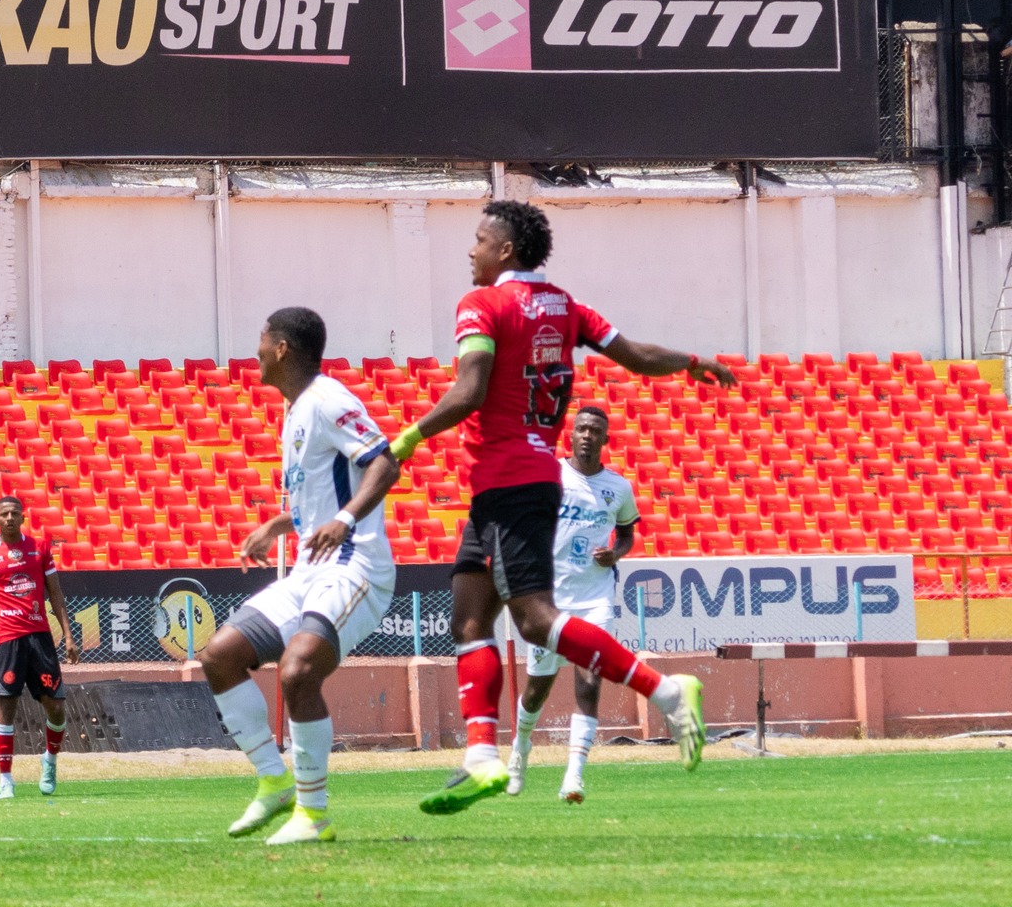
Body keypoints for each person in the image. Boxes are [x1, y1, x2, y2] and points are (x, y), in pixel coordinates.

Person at [388, 201, 734, 816]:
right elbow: (633, 356)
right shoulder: (567, 307)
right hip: (509, 482)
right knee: (469, 616)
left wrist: (406, 440)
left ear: (506, 251)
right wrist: (691, 361)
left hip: (511, 478)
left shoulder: (483, 306)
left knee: (534, 621)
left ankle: (666, 691)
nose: (470, 251)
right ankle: (481, 758)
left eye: (479, 240)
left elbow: (470, 390)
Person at [195, 307, 401, 845]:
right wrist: (278, 525)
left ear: (282, 347)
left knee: (298, 669)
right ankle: (273, 780)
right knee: (219, 655)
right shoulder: (295, 411)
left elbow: (385, 462)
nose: (255, 351)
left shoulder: (329, 400)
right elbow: (322, 501)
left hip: (357, 564)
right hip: (311, 569)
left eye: (261, 340)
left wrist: (345, 519)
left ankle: (313, 814)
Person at [506, 405, 636, 803]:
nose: (586, 435)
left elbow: (627, 533)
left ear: (605, 439)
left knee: (590, 681)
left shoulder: (619, 488)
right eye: (580, 428)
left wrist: (615, 554)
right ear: (571, 434)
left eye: (594, 430)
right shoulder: (551, 474)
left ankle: (574, 776)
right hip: (551, 600)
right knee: (536, 691)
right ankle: (520, 750)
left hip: (595, 598)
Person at [0, 497, 80, 799]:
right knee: (7, 708)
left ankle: (50, 761)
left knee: (55, 706)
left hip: (40, 637)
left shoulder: (40, 549)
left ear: (23, 517)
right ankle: (6, 779)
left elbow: (55, 593)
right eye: (4, 514)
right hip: (6, 640)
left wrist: (68, 635)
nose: (10, 518)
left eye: (15, 513)